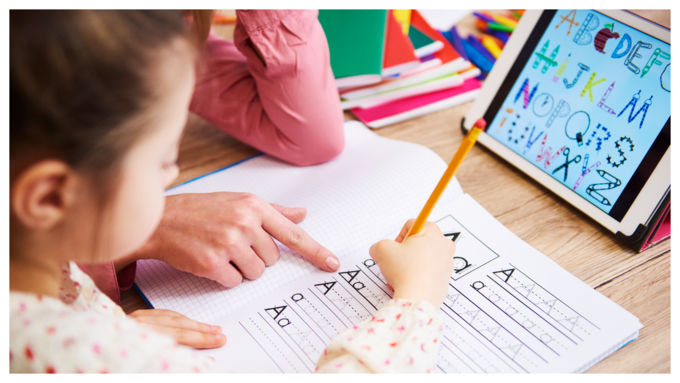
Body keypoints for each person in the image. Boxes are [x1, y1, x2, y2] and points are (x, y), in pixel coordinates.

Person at [9, 10, 456, 373]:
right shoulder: (107, 358)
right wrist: (417, 298)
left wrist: (102, 325)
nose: (175, 173)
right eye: (163, 159)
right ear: (49, 197)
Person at [81, 10, 347, 304]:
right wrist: (141, 227)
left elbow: (315, 138)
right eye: (165, 162)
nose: (169, 177)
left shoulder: (165, 33)